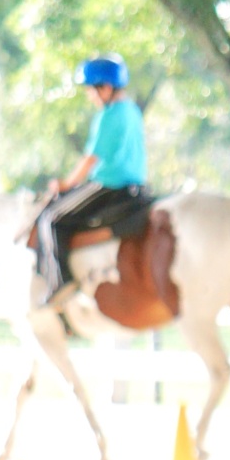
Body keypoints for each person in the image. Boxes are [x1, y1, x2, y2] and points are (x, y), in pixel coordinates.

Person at [36, 56, 150, 300]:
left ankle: (60, 284)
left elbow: (91, 159)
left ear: (106, 88)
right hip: (136, 185)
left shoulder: (109, 116)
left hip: (109, 185)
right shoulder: (132, 111)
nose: (89, 96)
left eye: (91, 90)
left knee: (50, 219)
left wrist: (66, 184)